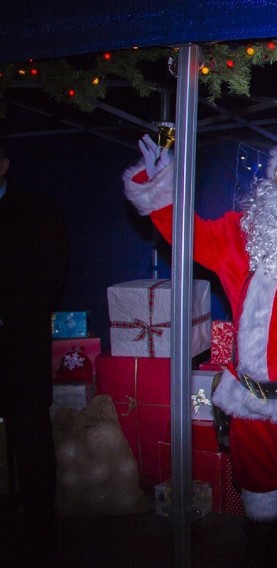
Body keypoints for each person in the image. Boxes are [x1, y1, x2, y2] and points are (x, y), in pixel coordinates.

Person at [123, 133, 277, 568]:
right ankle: (259, 549)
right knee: (255, 479)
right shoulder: (239, 232)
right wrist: (160, 185)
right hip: (249, 395)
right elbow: (190, 236)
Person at [0, 140, 69, 563]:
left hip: (18, 345)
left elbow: (52, 274)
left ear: (4, 165)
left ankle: (41, 532)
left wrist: (9, 314)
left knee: (30, 440)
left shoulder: (39, 211)